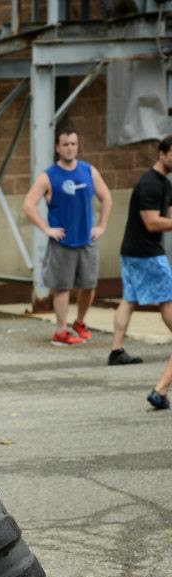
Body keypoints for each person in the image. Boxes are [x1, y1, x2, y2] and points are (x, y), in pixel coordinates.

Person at [23, 125, 112, 346]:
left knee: (89, 285)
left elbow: (107, 198)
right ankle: (61, 331)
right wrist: (46, 229)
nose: (70, 148)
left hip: (87, 240)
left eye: (73, 144)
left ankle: (79, 323)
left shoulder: (89, 171)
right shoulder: (49, 176)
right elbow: (28, 205)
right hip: (63, 241)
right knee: (63, 287)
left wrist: (101, 226)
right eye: (65, 144)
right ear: (58, 147)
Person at [109, 136, 172, 409]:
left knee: (130, 298)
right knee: (167, 296)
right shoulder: (149, 183)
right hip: (145, 253)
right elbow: (152, 222)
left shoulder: (166, 184)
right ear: (162, 153)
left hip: (136, 252)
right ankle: (159, 390)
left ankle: (116, 348)